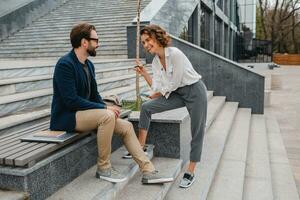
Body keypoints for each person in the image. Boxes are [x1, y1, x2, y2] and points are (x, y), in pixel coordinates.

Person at [50, 22, 173, 184]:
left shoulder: (89, 65)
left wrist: (106, 105)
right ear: (84, 42)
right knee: (107, 116)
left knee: (127, 126)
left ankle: (148, 171)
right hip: (66, 117)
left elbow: (94, 96)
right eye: (96, 40)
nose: (98, 44)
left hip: (86, 114)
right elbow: (71, 101)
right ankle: (104, 168)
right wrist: (104, 108)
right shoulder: (65, 64)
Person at [129, 24, 208, 188]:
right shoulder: (156, 62)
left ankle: (190, 172)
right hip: (177, 93)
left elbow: (174, 82)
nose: (146, 45)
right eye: (143, 42)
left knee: (197, 131)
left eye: (148, 40)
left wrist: (158, 93)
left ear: (157, 37)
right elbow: (157, 88)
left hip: (194, 91)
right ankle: (140, 148)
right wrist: (144, 73)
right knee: (147, 107)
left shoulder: (175, 54)